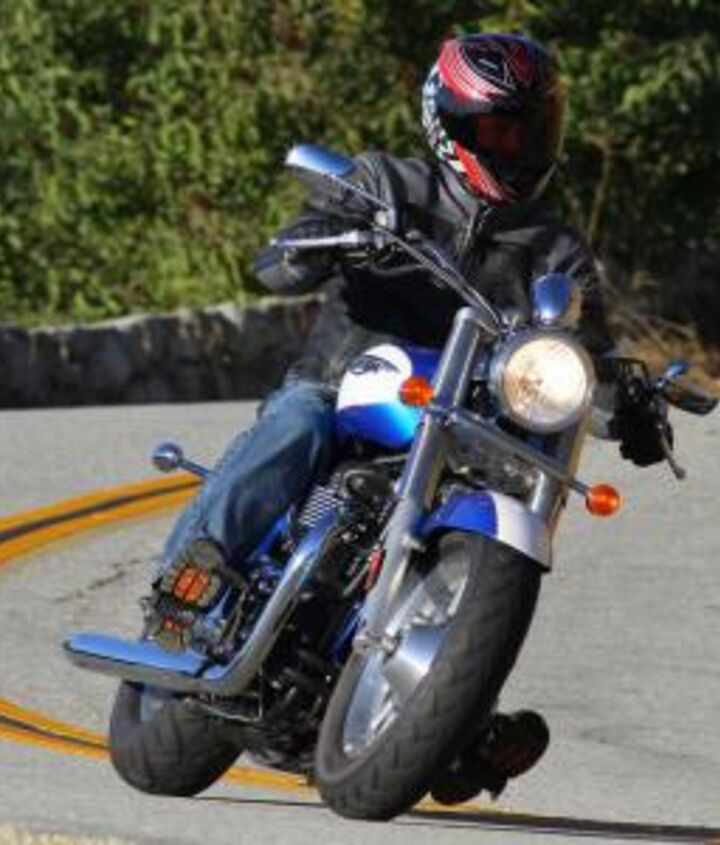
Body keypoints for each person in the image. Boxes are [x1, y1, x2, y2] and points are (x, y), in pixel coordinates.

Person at [157, 33, 670, 803]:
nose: (517, 146)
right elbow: (279, 261)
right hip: (349, 385)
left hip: (473, 425)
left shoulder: (555, 249)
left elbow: (584, 344)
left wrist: (628, 399)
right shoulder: (385, 184)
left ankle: (448, 708)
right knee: (296, 420)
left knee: (517, 503)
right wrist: (312, 244)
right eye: (499, 129)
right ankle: (193, 577)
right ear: (450, 124)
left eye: (530, 130)